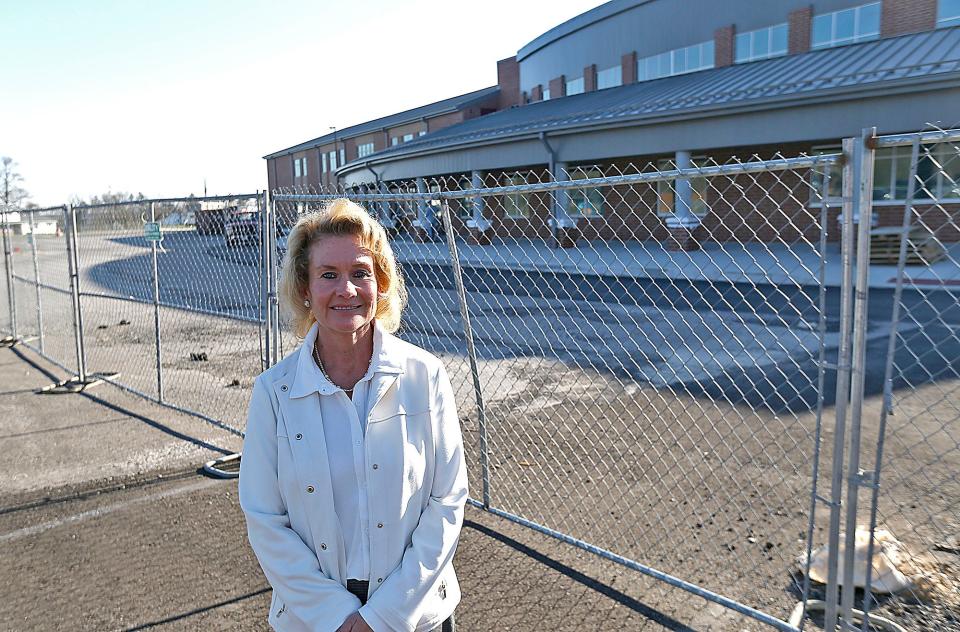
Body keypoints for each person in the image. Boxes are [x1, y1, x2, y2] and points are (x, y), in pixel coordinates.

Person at [239, 199, 467, 632]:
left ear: (380, 283)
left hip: (415, 616)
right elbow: (265, 519)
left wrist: (382, 617)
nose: (346, 290)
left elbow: (448, 500)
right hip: (314, 620)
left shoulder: (425, 375)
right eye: (329, 275)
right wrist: (338, 618)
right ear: (305, 289)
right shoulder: (274, 394)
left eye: (360, 272)